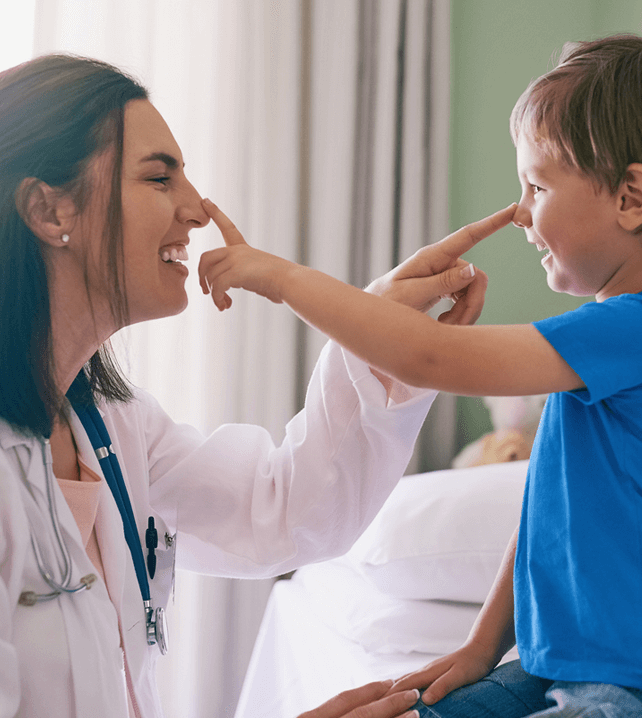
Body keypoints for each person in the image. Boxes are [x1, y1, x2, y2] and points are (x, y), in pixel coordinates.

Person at [0, 54, 508, 718]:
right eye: (160, 177)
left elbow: (286, 510)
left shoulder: (113, 429)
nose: (196, 209)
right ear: (47, 210)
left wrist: (377, 329)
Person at [201, 34, 642, 718]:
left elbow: (425, 357)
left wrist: (284, 277)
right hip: (553, 661)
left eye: (537, 185)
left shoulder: (624, 330)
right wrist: (478, 646)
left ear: (631, 197)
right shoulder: (601, 338)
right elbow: (547, 518)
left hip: (617, 687)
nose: (522, 211)